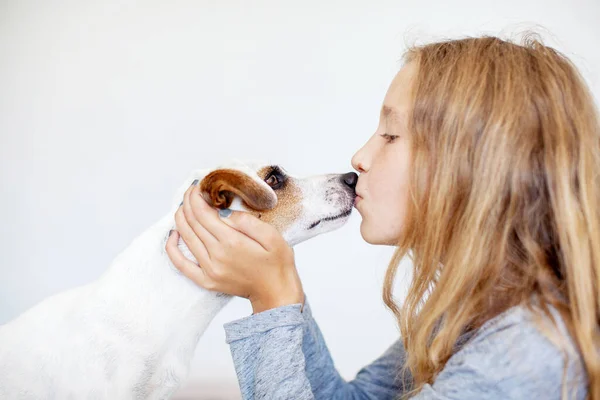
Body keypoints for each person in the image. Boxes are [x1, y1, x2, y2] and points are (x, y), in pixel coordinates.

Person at [165, 34, 600, 399]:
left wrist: (271, 300)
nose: (360, 156)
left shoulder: (527, 359)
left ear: (475, 167)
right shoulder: (465, 314)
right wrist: (282, 291)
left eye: (391, 135)